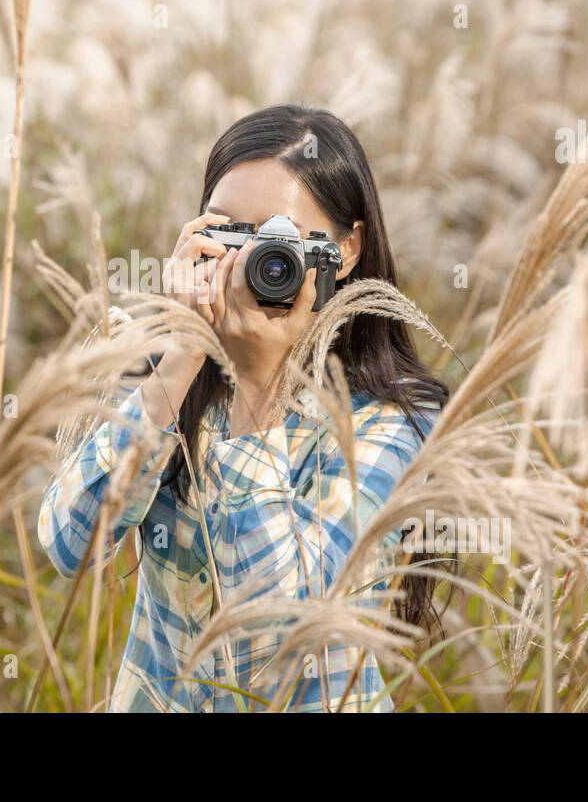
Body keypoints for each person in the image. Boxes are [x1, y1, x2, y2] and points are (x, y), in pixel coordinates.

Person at [38, 104, 449, 712]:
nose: (254, 263)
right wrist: (182, 356)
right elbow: (69, 542)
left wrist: (260, 386)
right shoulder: (162, 372)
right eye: (232, 234)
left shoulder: (393, 419)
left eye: (279, 240)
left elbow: (284, 630)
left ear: (348, 249)